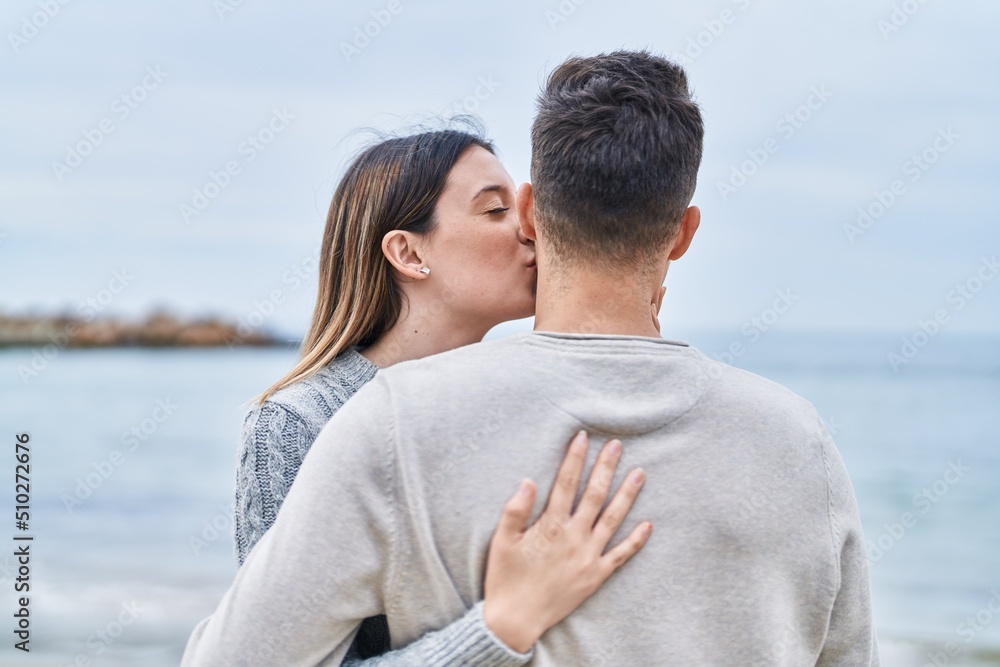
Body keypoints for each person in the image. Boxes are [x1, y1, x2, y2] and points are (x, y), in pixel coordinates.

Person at [184, 49, 880, 665]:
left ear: (534, 208)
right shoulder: (799, 439)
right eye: (489, 214)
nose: (518, 237)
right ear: (684, 231)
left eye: (507, 210)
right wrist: (499, 626)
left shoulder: (396, 423)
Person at [231, 127, 659, 665]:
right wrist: (503, 626)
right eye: (495, 211)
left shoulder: (519, 399)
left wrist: (637, 357)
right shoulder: (299, 423)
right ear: (408, 252)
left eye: (526, 208)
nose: (531, 229)